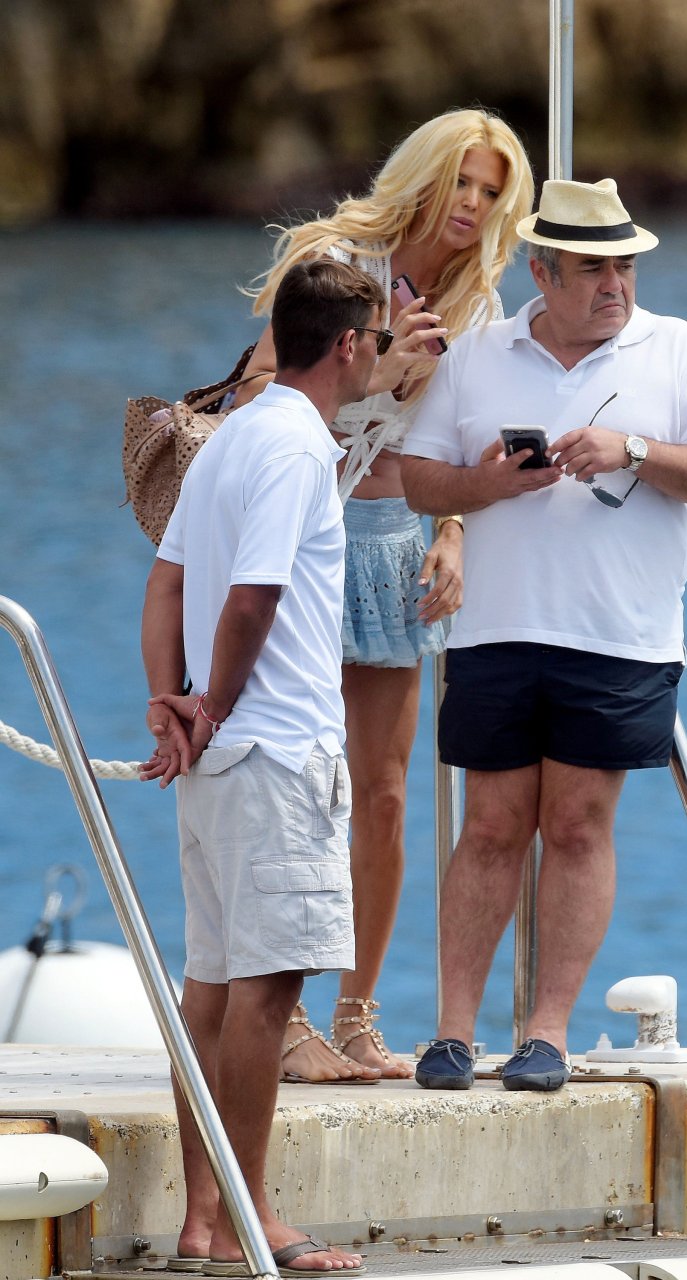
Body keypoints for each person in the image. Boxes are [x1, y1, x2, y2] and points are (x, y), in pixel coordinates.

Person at [400, 177, 687, 1092]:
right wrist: (485, 485)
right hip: (495, 631)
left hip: (621, 637)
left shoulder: (678, 348)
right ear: (542, 272)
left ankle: (546, 1036)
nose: (614, 285)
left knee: (576, 827)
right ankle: (449, 1035)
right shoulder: (478, 353)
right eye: (593, 269)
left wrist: (630, 449)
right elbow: (419, 480)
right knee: (489, 827)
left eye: (624, 267)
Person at [232, 108, 534, 1083]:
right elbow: (255, 398)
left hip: (393, 544)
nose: (472, 205)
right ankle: (277, 1017)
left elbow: (456, 448)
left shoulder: (477, 302)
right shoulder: (334, 260)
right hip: (304, 537)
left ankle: (355, 1015)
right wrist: (381, 372)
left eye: (490, 191)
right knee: (293, 780)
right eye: (461, 182)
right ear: (424, 176)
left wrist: (453, 533)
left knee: (387, 792)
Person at [139, 256, 386, 1271]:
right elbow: (253, 596)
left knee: (210, 989)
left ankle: (205, 1220)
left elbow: (166, 583)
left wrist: (170, 703)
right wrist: (210, 704)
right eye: (377, 339)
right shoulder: (293, 448)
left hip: (219, 762)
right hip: (276, 755)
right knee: (264, 995)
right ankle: (253, 1222)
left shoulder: (233, 434)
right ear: (349, 345)